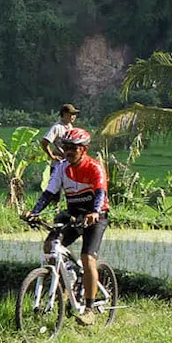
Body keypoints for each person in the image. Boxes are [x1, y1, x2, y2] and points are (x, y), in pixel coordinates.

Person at [22, 127, 109, 325]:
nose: (68, 151)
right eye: (65, 147)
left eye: (73, 148)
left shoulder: (94, 167)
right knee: (50, 246)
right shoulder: (62, 167)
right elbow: (49, 192)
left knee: (88, 258)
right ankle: (65, 281)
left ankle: (89, 309)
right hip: (74, 216)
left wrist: (95, 212)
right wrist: (35, 212)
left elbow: (100, 192)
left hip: (95, 216)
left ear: (84, 149)